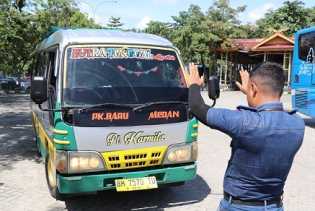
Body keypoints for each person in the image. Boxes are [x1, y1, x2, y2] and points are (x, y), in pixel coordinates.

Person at [188, 62, 305, 211]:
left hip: (238, 206)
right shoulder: (297, 124)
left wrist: (194, 85)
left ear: (254, 89)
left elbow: (198, 108)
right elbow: (265, 119)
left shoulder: (244, 122)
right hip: (274, 206)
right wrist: (251, 93)